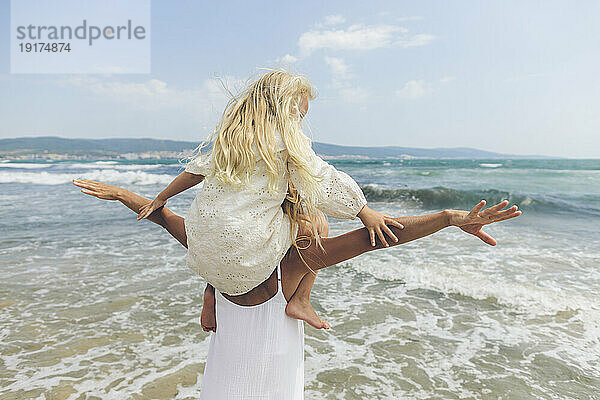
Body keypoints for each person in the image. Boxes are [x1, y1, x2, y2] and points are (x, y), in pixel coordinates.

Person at [72, 179, 521, 399]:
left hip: (237, 357)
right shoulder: (292, 259)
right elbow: (377, 237)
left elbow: (163, 217)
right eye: (304, 215)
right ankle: (300, 303)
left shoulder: (231, 250)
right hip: (265, 359)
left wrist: (120, 194)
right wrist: (445, 218)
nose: (310, 224)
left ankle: (300, 303)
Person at [135, 70, 404, 330]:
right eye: (298, 115)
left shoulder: (233, 140)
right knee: (316, 224)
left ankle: (212, 292)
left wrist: (161, 198)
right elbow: (323, 177)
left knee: (239, 220)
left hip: (205, 246)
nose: (299, 122)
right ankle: (301, 300)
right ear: (281, 109)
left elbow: (193, 174)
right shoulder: (288, 140)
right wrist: (363, 211)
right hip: (245, 252)